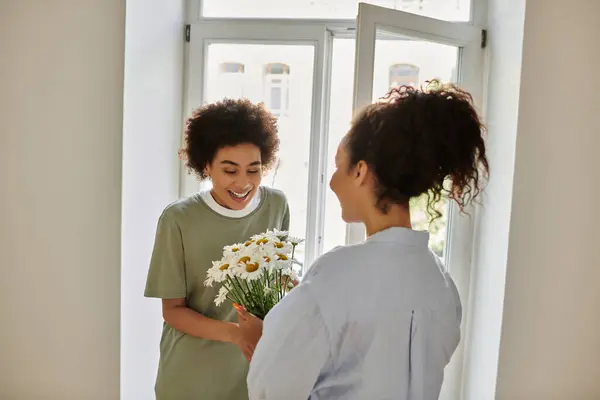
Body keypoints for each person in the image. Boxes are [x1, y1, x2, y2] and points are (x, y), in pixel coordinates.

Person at [242, 81, 489, 399]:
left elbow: (270, 390)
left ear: (360, 171)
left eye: (337, 165)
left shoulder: (335, 276)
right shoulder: (440, 282)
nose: (332, 180)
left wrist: (267, 340)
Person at [144, 98, 290, 399]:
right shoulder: (178, 219)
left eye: (253, 169)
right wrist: (237, 334)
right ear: (206, 165)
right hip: (191, 379)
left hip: (254, 377)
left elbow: (278, 284)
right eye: (230, 170)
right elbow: (172, 311)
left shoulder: (277, 205)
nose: (243, 183)